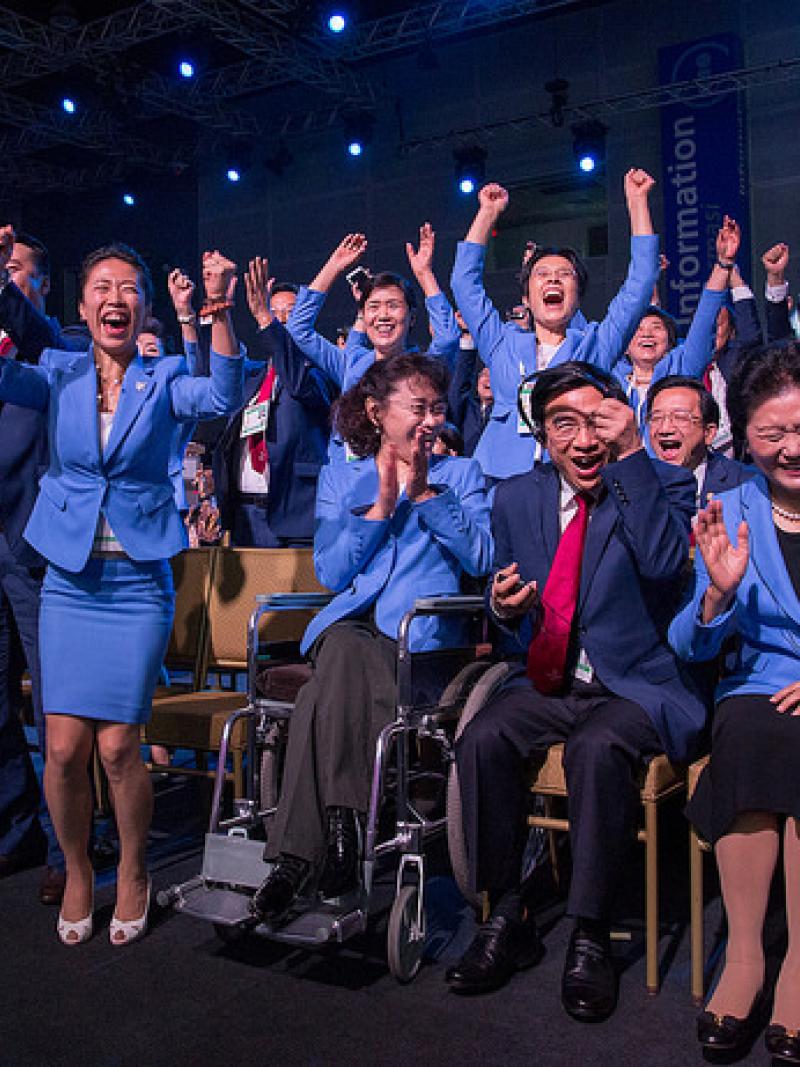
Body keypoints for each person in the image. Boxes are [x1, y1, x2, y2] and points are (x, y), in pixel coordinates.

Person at [0, 242, 243, 946]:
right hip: (70, 584)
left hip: (137, 584)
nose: (115, 297)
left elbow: (223, 394)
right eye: (100, 286)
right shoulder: (57, 371)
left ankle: (134, 868)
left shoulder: (163, 376)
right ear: (80, 307)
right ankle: (78, 868)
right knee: (63, 747)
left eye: (128, 288)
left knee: (116, 747)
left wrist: (219, 306)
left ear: (142, 304)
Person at [447, 363, 706, 1021]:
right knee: (483, 736)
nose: (583, 438)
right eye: (565, 423)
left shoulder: (664, 484)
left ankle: (590, 929)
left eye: (598, 420)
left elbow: (661, 561)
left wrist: (632, 459)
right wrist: (502, 606)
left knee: (595, 747)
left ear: (620, 421)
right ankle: (507, 912)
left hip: (636, 684)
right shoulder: (514, 498)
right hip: (552, 677)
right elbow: (502, 592)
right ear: (543, 434)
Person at [249, 353, 492, 919]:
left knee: (318, 691)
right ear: (378, 412)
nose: (431, 419)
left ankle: (295, 858)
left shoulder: (461, 476)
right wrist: (382, 506)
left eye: (437, 408)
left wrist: (428, 496)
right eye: (418, 407)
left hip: (418, 644)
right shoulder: (341, 478)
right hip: (351, 628)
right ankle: (340, 828)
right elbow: (333, 575)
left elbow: (481, 556)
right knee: (344, 647)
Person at [669, 341, 800, 1060]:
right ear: (743, 438)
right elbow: (689, 644)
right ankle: (746, 957)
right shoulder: (729, 507)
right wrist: (716, 591)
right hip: (757, 685)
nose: (792, 447)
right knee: (751, 730)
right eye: (773, 434)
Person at [450, 171, 659, 482]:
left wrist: (637, 203)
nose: (552, 279)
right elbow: (464, 284)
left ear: (577, 296)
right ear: (527, 297)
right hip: (500, 480)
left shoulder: (595, 346)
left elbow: (640, 282)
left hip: (572, 480)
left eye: (565, 274)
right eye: (542, 274)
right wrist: (487, 214)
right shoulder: (501, 343)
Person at [0, 227, 69, 905]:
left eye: (17, 269)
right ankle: (15, 830)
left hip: (32, 552)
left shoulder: (54, 356)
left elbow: (31, 329)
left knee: (51, 710)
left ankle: (65, 846)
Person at [206, 256, 338, 548]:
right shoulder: (252, 376)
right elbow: (225, 365)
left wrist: (265, 318)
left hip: (294, 514)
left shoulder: (319, 372)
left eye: (289, 312)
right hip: (244, 514)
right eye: (274, 311)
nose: (280, 319)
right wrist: (221, 310)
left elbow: (298, 383)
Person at [287, 223, 461, 396]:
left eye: (393, 305)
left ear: (412, 317)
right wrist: (333, 267)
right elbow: (298, 329)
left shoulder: (424, 367)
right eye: (374, 306)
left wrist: (425, 274)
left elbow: (448, 339)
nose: (383, 315)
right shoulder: (353, 365)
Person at [613, 215, 740, 427]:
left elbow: (704, 319)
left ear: (670, 343)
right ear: (624, 345)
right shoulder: (608, 379)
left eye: (657, 328)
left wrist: (723, 265)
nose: (647, 334)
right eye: (638, 329)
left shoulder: (681, 370)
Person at [645, 376, 753, 509]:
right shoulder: (637, 483)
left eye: (680, 417)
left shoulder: (743, 483)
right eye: (656, 418)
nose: (665, 429)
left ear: (709, 433)